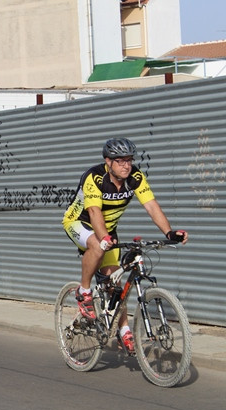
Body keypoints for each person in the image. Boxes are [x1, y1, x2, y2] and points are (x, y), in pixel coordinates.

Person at [62, 137, 188, 353]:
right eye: (120, 161)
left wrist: (168, 231)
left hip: (108, 230)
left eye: (129, 160)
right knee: (97, 245)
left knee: (115, 285)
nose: (126, 165)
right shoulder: (95, 177)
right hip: (79, 222)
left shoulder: (135, 177)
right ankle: (83, 292)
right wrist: (103, 238)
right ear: (108, 162)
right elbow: (94, 212)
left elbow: (151, 205)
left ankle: (124, 331)